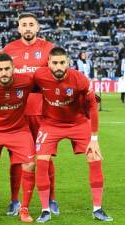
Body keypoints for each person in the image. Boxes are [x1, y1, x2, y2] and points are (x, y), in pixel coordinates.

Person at [34, 47, 112, 222]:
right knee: (41, 161)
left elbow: (93, 105)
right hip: (50, 124)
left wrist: (94, 138)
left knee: (95, 158)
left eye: (62, 62)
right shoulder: (39, 75)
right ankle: (45, 210)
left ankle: (98, 209)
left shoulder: (79, 78)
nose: (59, 66)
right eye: (55, 63)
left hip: (78, 123)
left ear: (68, 62)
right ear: (48, 64)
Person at [2, 12, 57, 216]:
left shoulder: (48, 48)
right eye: (23, 24)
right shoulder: (9, 49)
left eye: (31, 24)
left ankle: (51, 199)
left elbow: (57, 77)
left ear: (37, 27)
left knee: (45, 157)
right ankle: (14, 200)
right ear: (18, 28)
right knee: (16, 159)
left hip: (43, 112)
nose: (27, 28)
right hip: (17, 113)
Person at [0, 53, 36, 223]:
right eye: (0, 69)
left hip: (19, 130)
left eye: (7, 69)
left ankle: (23, 208)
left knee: (30, 165)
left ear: (13, 69)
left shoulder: (26, 81)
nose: (3, 73)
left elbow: (50, 86)